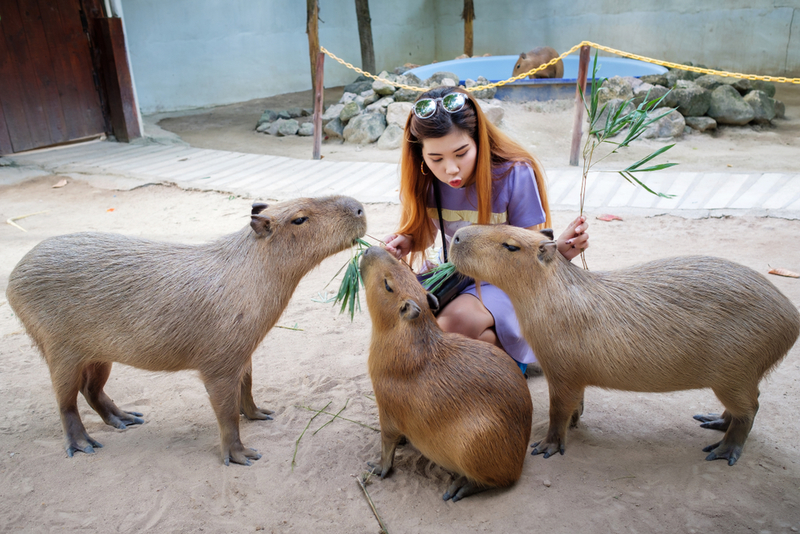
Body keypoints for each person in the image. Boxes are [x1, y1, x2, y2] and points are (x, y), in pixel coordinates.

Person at [383, 86, 589, 375]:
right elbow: (425, 234)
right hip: (450, 277)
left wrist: (561, 252)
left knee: (451, 327)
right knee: (411, 328)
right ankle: (510, 359)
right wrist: (405, 240)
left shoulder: (514, 174)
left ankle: (514, 354)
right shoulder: (425, 180)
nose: (451, 169)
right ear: (421, 154)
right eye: (436, 158)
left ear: (479, 138)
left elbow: (528, 251)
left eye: (461, 153)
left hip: (504, 281)